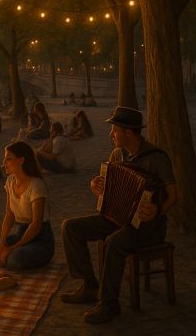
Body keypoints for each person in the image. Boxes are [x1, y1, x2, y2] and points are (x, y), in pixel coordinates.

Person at [60, 107, 177, 324]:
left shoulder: (157, 158)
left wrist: (158, 210)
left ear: (129, 133)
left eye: (114, 130)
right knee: (70, 227)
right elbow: (108, 184)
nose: (110, 135)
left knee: (114, 243)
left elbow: (173, 195)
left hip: (148, 226)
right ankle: (89, 286)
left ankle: (109, 305)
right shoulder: (117, 154)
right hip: (116, 218)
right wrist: (96, 184)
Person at [0, 141, 54, 269]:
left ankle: (9, 259)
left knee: (16, 259)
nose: (4, 163)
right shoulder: (10, 181)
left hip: (40, 238)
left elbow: (36, 224)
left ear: (21, 160)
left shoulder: (36, 185)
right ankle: (6, 258)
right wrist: (2, 245)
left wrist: (13, 248)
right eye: (4, 159)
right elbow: (9, 215)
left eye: (8, 159)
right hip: (21, 235)